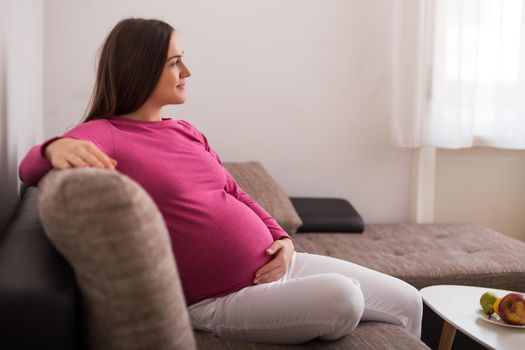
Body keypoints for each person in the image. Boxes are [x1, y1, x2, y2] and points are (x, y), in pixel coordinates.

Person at [19, 18, 422, 345]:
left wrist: (282, 239)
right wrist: (54, 150)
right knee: (344, 297)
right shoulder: (106, 133)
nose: (187, 72)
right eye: (175, 62)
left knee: (408, 299)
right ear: (140, 69)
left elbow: (235, 192)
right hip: (220, 299)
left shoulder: (186, 131)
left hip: (280, 266)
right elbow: (30, 168)